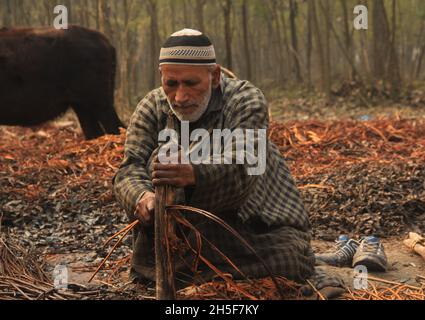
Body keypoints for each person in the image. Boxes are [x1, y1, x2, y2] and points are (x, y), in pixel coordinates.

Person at [113, 28, 342, 295]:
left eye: (191, 83)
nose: (180, 97)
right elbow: (129, 168)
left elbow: (243, 166)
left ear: (215, 76)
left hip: (248, 225)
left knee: (288, 260)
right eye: (171, 84)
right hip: (181, 236)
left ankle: (309, 271)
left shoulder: (245, 100)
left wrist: (194, 174)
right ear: (161, 77)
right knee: (157, 268)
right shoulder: (151, 106)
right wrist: (142, 197)